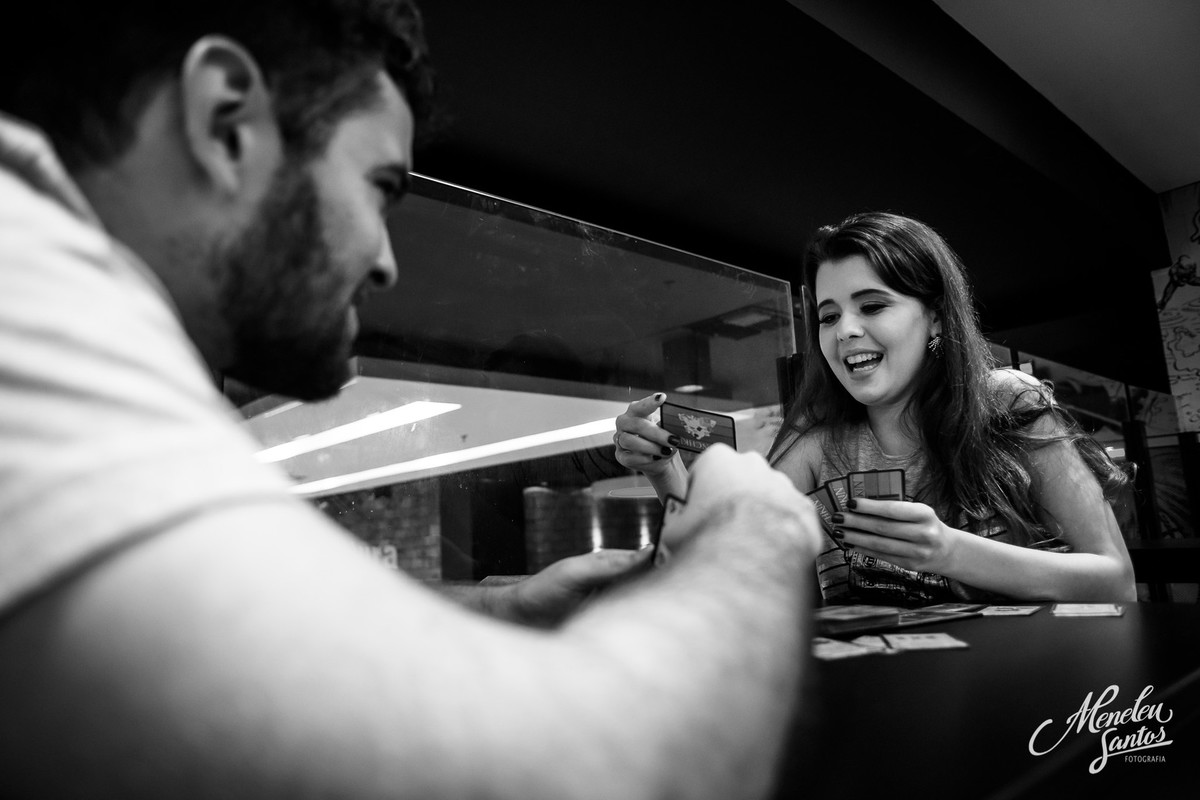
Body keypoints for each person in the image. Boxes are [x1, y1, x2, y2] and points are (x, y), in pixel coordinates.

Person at [0, 2, 822, 796]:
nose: (388, 262)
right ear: (225, 125)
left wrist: (504, 605)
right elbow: (591, 776)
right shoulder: (23, 291)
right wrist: (754, 527)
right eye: (379, 185)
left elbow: (237, 647)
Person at [616, 211, 1136, 605]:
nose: (845, 330)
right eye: (828, 315)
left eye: (872, 305)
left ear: (935, 318)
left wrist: (948, 551)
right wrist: (663, 467)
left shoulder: (1006, 402)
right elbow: (719, 557)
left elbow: (1117, 581)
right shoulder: (820, 442)